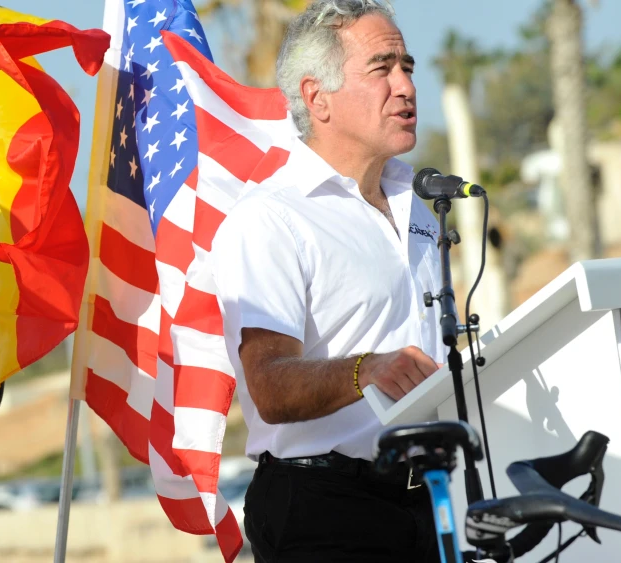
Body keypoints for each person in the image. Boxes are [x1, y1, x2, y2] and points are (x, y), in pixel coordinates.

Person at [210, 1, 446, 561]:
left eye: (407, 66)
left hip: (432, 496)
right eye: (382, 68)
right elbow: (268, 386)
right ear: (318, 98)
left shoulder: (422, 202)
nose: (406, 86)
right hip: (324, 507)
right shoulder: (272, 217)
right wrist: (369, 369)